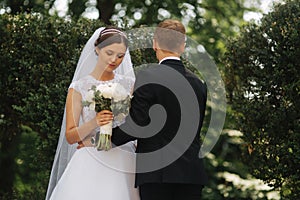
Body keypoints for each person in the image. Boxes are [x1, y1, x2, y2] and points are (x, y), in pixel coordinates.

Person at [98, 19, 208, 200]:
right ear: (182, 46)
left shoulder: (148, 77)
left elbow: (137, 125)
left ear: (155, 43)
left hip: (156, 173)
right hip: (191, 174)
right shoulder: (199, 84)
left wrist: (104, 140)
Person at [45, 27, 140, 200]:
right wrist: (95, 122)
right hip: (89, 159)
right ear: (97, 49)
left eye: (120, 56)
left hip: (123, 159)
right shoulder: (78, 88)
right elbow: (71, 136)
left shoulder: (130, 85)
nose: (114, 60)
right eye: (109, 52)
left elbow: (137, 124)